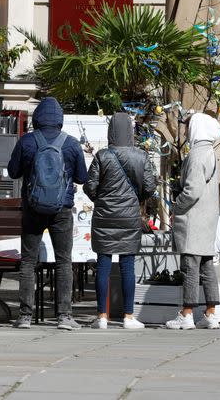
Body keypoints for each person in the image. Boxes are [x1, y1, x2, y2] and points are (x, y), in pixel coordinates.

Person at [7, 97, 88, 330]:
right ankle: (64, 316)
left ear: (38, 118)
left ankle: (24, 316)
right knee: (63, 261)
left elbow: (13, 172)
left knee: (28, 261)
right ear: (60, 119)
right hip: (61, 209)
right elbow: (82, 178)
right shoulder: (71, 144)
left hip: (32, 208)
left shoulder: (27, 141)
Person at [83, 113, 157, 330]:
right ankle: (128, 316)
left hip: (104, 216)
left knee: (103, 265)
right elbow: (150, 186)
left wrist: (102, 200)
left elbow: (90, 186)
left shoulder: (102, 156)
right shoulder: (141, 156)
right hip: (129, 216)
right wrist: (136, 199)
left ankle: (102, 316)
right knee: (127, 266)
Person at [166, 113, 220, 330]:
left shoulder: (197, 154)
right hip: (207, 218)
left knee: (190, 266)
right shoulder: (210, 152)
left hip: (193, 218)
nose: (186, 131)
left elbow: (192, 190)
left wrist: (177, 205)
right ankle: (210, 313)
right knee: (207, 267)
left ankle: (186, 313)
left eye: (188, 126)